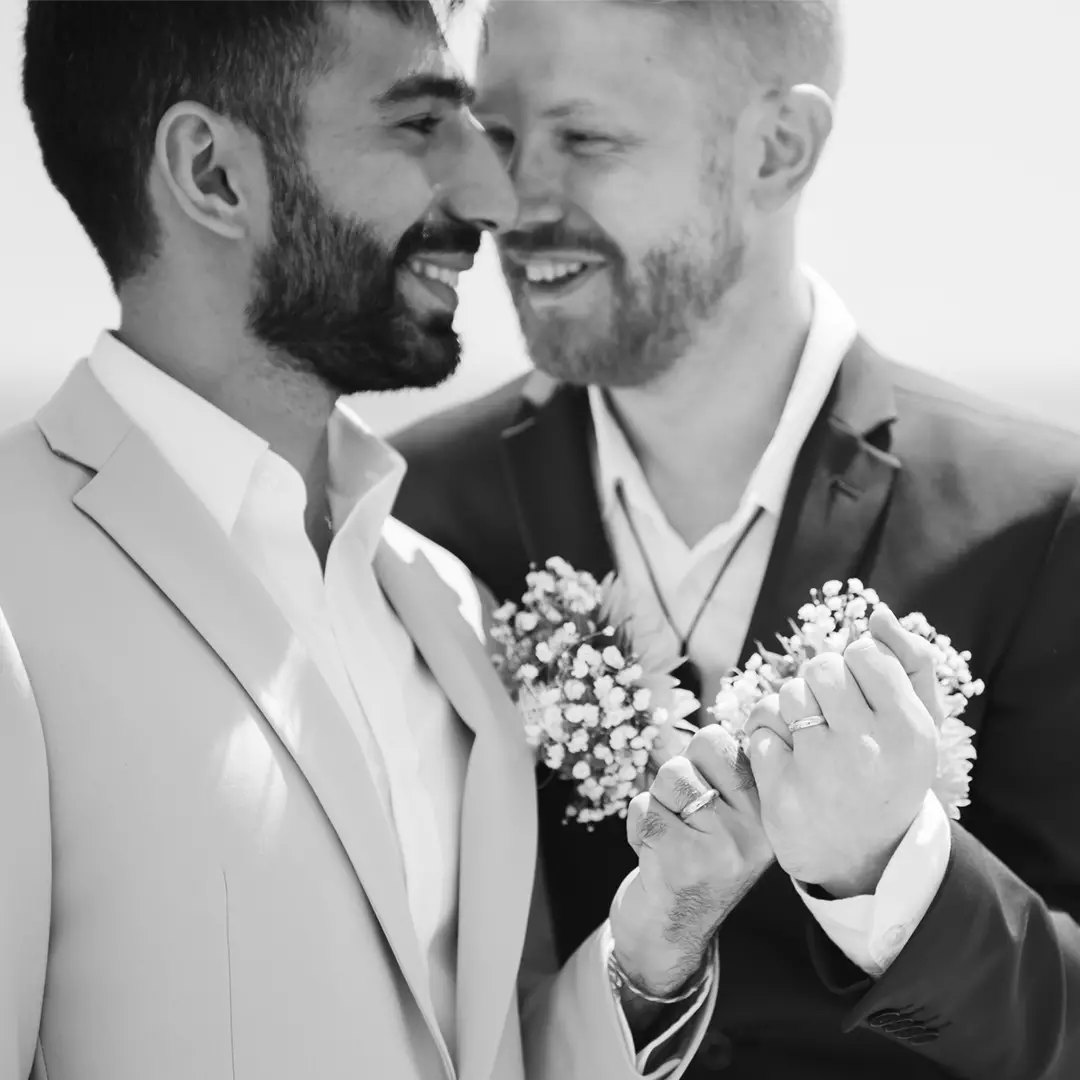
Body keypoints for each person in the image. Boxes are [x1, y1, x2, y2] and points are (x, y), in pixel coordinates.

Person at [0, 2, 751, 1077]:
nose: (493, 197)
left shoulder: (441, 599)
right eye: (417, 126)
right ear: (212, 174)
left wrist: (662, 934)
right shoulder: (12, 596)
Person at [391, 1, 1080, 1077]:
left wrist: (893, 877)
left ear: (778, 149)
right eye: (502, 138)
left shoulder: (1042, 520)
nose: (504, 202)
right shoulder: (415, 519)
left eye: (586, 138)